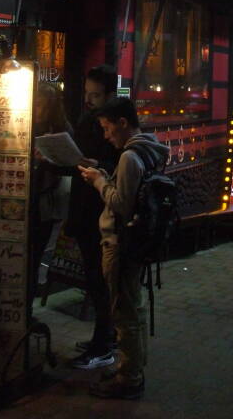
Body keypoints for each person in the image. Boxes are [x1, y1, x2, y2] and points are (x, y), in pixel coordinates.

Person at [79, 97, 169, 400]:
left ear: (122, 123)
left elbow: (121, 204)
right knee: (135, 306)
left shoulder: (130, 157)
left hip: (121, 242)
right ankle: (132, 367)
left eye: (107, 128)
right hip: (139, 241)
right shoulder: (151, 147)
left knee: (123, 312)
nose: (106, 136)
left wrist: (99, 181)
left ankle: (129, 378)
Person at [65, 64, 119, 370]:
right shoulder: (94, 118)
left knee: (100, 281)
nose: (89, 100)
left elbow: (117, 164)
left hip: (98, 212)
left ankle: (104, 345)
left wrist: (97, 165)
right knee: (95, 279)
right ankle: (104, 337)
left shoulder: (113, 124)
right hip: (87, 207)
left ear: (110, 94)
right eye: (87, 94)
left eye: (95, 95)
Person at [30, 83, 73, 302]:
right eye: (36, 104)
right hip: (25, 195)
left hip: (45, 199)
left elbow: (72, 163)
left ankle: (30, 295)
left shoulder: (61, 128)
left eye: (43, 106)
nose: (38, 110)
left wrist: (49, 162)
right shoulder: (24, 123)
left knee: (37, 249)